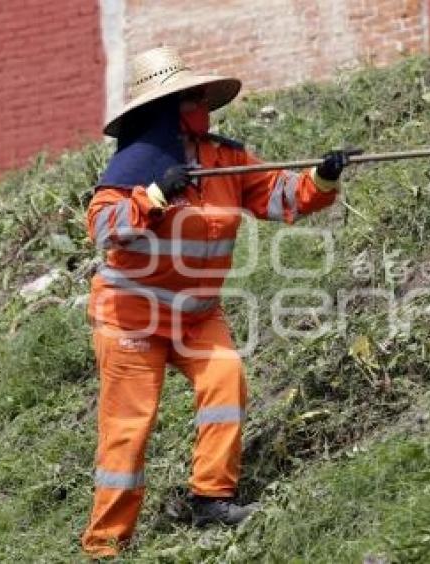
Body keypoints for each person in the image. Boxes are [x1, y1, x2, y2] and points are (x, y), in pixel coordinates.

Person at [81, 46, 352, 558]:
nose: (205, 104)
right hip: (131, 317)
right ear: (169, 107)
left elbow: (278, 195)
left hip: (197, 314)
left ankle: (211, 498)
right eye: (195, 97)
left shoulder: (226, 159)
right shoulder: (135, 165)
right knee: (128, 430)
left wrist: (322, 178)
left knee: (225, 381)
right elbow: (102, 228)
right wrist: (154, 197)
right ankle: (105, 544)